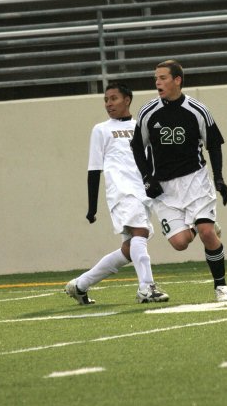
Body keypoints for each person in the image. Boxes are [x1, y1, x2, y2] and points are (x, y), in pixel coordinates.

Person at [130, 59, 227, 302]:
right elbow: (136, 147)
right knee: (180, 243)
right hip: (165, 189)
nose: (157, 82)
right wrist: (147, 178)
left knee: (207, 233)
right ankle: (200, 223)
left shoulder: (197, 110)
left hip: (195, 181)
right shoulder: (148, 112)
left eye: (163, 77)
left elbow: (214, 145)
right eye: (156, 78)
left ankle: (221, 286)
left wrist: (219, 179)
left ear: (177, 80)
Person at [65, 81, 169, 305]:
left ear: (127, 100)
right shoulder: (101, 129)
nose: (108, 104)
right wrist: (92, 207)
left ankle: (80, 285)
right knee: (140, 233)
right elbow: (94, 169)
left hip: (143, 192)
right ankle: (146, 288)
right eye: (106, 100)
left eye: (113, 99)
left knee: (129, 248)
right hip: (121, 192)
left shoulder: (141, 126)